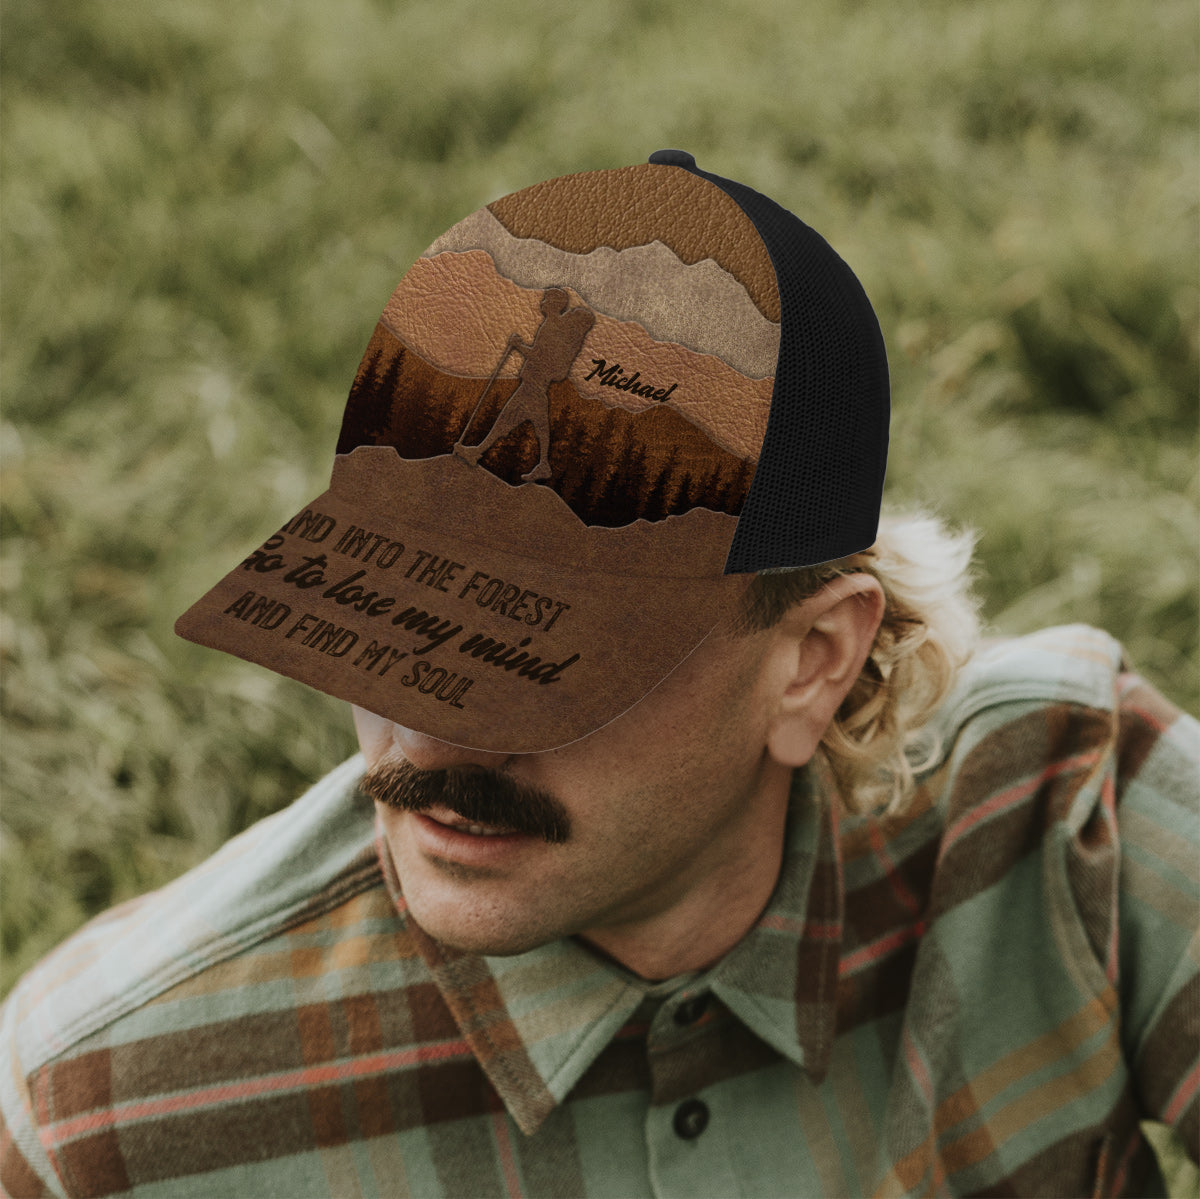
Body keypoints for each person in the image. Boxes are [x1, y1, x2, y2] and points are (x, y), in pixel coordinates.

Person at [1, 152, 1195, 1199]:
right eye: (391, 619)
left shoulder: (1066, 817)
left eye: (541, 660)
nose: (428, 736)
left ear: (812, 662)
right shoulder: (103, 1109)